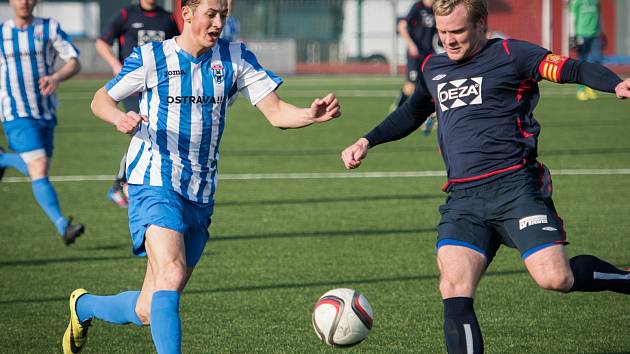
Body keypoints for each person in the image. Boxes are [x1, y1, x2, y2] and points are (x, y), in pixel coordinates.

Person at [341, 0, 630, 353]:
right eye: (443, 32)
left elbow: (572, 68)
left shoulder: (512, 54)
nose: (447, 39)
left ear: (481, 25)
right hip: (463, 199)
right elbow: (413, 112)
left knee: (555, 278)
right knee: (453, 286)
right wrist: (366, 140)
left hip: (515, 188)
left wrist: (614, 85)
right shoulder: (434, 67)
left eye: (457, 31)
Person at [62, 0, 340, 352]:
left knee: (149, 307)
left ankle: (82, 306)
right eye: (211, 13)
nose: (218, 22)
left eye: (224, 15)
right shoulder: (153, 57)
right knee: (172, 272)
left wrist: (310, 115)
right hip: (154, 178)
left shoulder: (236, 58)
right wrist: (118, 118)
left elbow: (276, 112)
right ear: (187, 13)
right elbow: (100, 99)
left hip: (200, 192)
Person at [0, 0, 85, 245]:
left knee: (36, 168)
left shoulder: (49, 27)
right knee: (39, 167)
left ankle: (4, 159)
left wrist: (56, 77)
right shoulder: (2, 33)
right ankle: (62, 226)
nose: (24, 2)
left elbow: (74, 61)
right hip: (15, 113)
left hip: (46, 112)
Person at [95, 0, 180, 208]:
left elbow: (178, 47)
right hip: (133, 88)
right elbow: (101, 43)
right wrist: (116, 65)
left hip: (159, 88)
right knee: (142, 129)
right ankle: (123, 183)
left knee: (155, 131)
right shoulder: (126, 15)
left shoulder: (167, 18)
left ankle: (136, 184)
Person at [392, 0, 437, 135]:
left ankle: (430, 117)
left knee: (433, 86)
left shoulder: (437, 8)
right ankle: (396, 113)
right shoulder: (418, 7)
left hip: (429, 54)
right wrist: (411, 45)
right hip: (415, 55)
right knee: (410, 86)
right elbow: (401, 26)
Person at [571, 0, 602, 101]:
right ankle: (581, 89)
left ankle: (590, 86)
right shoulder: (577, 1)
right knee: (582, 61)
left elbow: (599, 16)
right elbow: (572, 17)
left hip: (595, 34)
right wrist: (572, 35)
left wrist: (602, 31)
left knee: (597, 59)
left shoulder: (596, 1)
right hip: (582, 34)